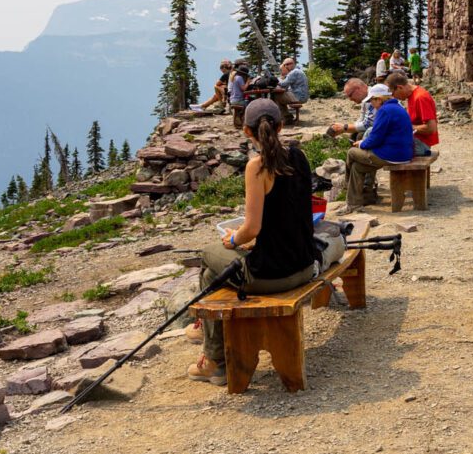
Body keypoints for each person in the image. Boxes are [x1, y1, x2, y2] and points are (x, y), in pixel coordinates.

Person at [186, 99, 342, 384]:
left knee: (208, 254)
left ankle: (215, 358)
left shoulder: (257, 167)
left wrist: (234, 238)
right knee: (211, 276)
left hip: (274, 275)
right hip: (304, 264)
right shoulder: (298, 156)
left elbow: (252, 228)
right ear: (280, 126)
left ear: (247, 131)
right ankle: (212, 349)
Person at [340, 84, 412, 212]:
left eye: (371, 100)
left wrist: (361, 144)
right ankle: (354, 204)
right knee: (357, 167)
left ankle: (346, 185)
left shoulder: (384, 111)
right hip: (404, 153)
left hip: (392, 155)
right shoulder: (396, 107)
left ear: (379, 99)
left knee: (351, 152)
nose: (371, 104)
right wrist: (364, 142)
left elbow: (376, 138)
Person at [386, 71, 439, 158]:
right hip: (414, 139)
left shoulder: (420, 97)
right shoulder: (411, 96)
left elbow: (431, 128)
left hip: (421, 144)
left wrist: (406, 126)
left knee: (383, 144)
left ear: (399, 87)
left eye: (393, 93)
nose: (394, 97)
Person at [227, 62, 250, 131]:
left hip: (232, 100)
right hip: (238, 101)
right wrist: (248, 82)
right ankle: (246, 121)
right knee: (250, 103)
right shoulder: (240, 78)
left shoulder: (234, 77)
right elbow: (243, 89)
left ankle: (239, 120)